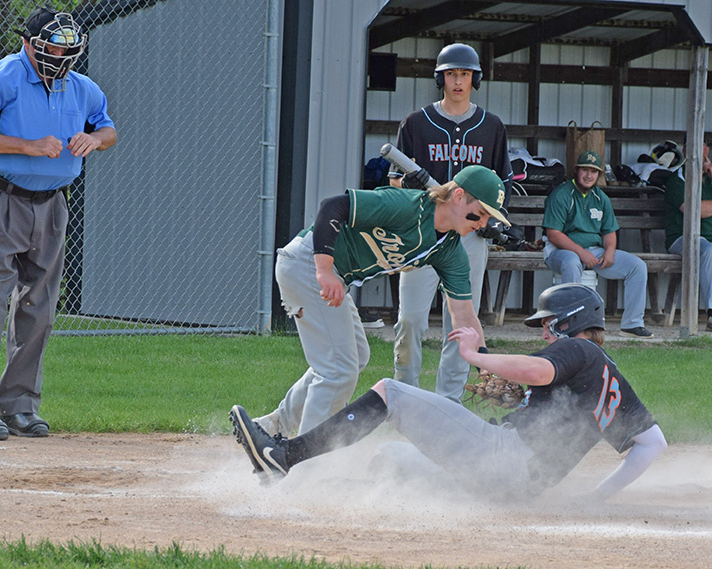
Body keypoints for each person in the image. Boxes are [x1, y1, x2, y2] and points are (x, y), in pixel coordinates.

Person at [230, 283, 667, 503]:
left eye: (549, 325)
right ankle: (322, 493)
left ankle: (283, 456)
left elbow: (538, 370)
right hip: (518, 488)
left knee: (391, 393)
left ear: (570, 323)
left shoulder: (578, 349)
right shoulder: (609, 377)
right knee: (393, 460)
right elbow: (652, 444)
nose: (545, 334)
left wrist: (474, 355)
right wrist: (594, 500)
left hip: (501, 456)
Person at [253, 166, 510, 437]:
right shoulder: (407, 206)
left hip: (333, 275)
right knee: (338, 369)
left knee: (355, 356)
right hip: (308, 263)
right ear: (458, 196)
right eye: (481, 213)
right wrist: (324, 270)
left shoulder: (450, 250)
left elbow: (464, 314)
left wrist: (486, 367)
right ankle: (306, 453)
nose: (484, 224)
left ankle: (273, 426)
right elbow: (333, 207)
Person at [0, 7, 117, 440]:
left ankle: (20, 407)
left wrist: (94, 139)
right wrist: (26, 146)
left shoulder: (81, 87)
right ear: (29, 43)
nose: (60, 57)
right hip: (2, 200)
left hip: (52, 204)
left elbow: (108, 130)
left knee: (39, 307)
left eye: (67, 50)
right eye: (51, 47)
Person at [388, 43, 513, 403]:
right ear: (440, 78)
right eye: (451, 74)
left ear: (475, 79)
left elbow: (503, 183)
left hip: (470, 236)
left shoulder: (491, 126)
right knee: (410, 319)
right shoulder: (416, 123)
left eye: (465, 74)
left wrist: (492, 221)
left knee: (460, 323)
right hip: (423, 233)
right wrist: (407, 183)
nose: (458, 81)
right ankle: (406, 398)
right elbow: (393, 182)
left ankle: (449, 403)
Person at [543, 150, 653, 339]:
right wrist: (581, 253)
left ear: (599, 174)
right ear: (576, 170)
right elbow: (553, 234)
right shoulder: (561, 194)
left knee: (637, 266)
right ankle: (570, 324)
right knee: (572, 262)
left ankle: (632, 324)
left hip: (594, 251)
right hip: (560, 251)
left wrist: (609, 251)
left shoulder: (601, 198)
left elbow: (609, 231)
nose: (588, 175)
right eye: (585, 170)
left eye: (593, 171)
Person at [663, 142, 712, 332]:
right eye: (694, 144)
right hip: (682, 238)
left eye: (703, 145)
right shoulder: (678, 178)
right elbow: (694, 210)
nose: (700, 150)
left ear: (707, 150)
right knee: (708, 250)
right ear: (685, 150)